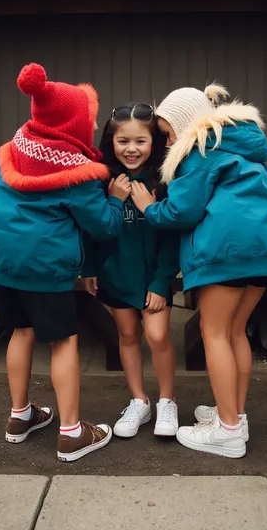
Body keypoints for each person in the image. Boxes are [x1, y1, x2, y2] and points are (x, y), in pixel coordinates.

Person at [131, 84, 267, 458]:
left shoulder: (200, 148)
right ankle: (234, 415)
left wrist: (146, 207)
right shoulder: (241, 145)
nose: (169, 139)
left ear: (187, 123)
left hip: (230, 247)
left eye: (168, 131)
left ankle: (226, 432)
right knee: (236, 330)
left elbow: (180, 212)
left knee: (215, 332)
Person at [0, 63, 129, 462]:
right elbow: (104, 226)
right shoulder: (77, 173)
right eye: (90, 118)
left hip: (2, 262)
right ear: (73, 123)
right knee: (64, 341)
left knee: (20, 332)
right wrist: (115, 198)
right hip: (44, 266)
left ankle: (19, 416)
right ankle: (72, 432)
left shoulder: (10, 152)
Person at [82, 103, 180, 438]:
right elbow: (94, 230)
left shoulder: (164, 180)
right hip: (116, 273)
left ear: (154, 142)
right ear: (111, 141)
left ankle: (167, 401)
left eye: (141, 141)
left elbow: (172, 238)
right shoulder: (102, 179)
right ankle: (139, 400)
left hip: (153, 278)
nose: (132, 149)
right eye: (123, 141)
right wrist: (90, 267)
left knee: (157, 335)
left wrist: (163, 281)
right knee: (126, 336)